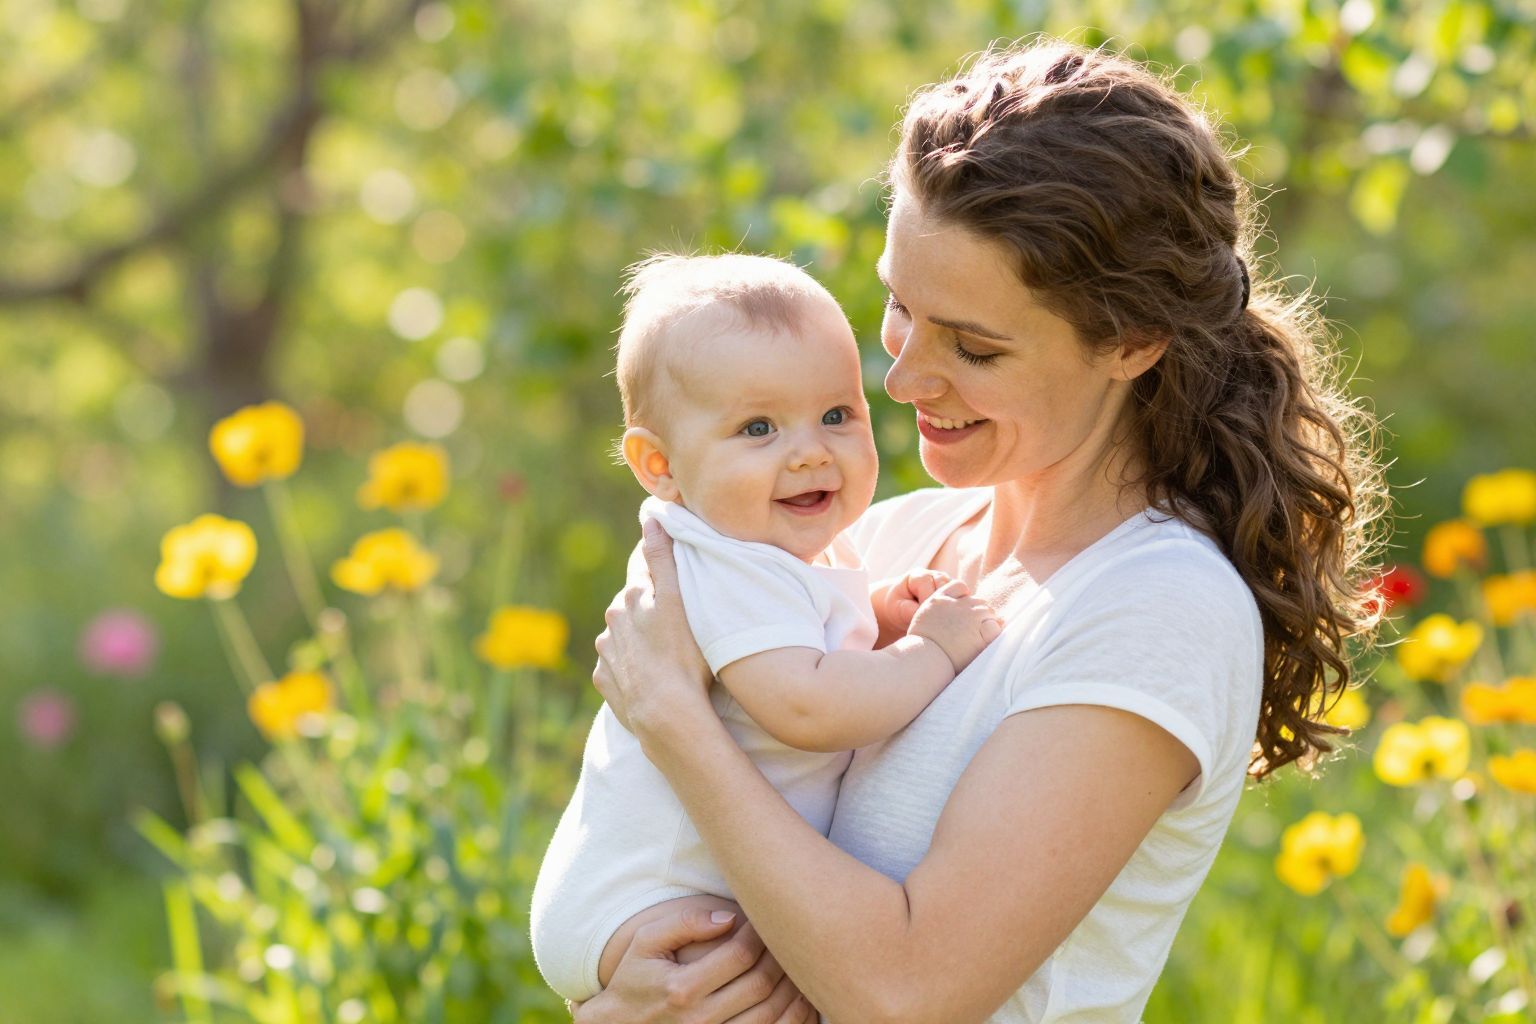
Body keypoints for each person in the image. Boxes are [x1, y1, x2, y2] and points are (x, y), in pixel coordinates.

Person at [574, 37, 1386, 1024]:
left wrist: (672, 717)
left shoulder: (1157, 605)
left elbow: (908, 989)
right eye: (899, 307)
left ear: (1131, 341)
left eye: (975, 345)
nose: (904, 377)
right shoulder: (883, 541)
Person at [529, 253, 1003, 1005]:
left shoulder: (770, 554)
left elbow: (804, 645)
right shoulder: (724, 563)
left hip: (659, 885)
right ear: (660, 466)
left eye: (836, 416)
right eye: (758, 428)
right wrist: (930, 652)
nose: (811, 450)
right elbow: (806, 705)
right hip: (653, 895)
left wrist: (877, 612)